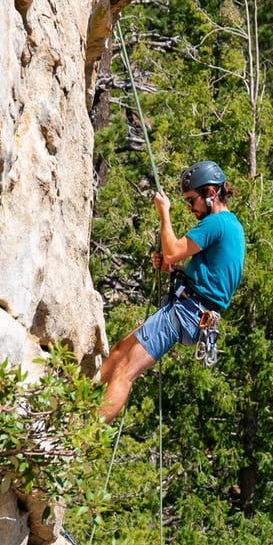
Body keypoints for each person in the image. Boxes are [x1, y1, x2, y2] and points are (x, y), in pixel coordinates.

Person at [100, 160, 246, 422]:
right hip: (192, 310)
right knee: (120, 350)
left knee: (125, 371)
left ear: (211, 194)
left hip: (187, 311)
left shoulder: (216, 223)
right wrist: (174, 270)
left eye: (192, 201)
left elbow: (172, 250)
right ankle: (79, 401)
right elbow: (210, 276)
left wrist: (164, 214)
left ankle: (80, 437)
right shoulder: (231, 226)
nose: (190, 208)